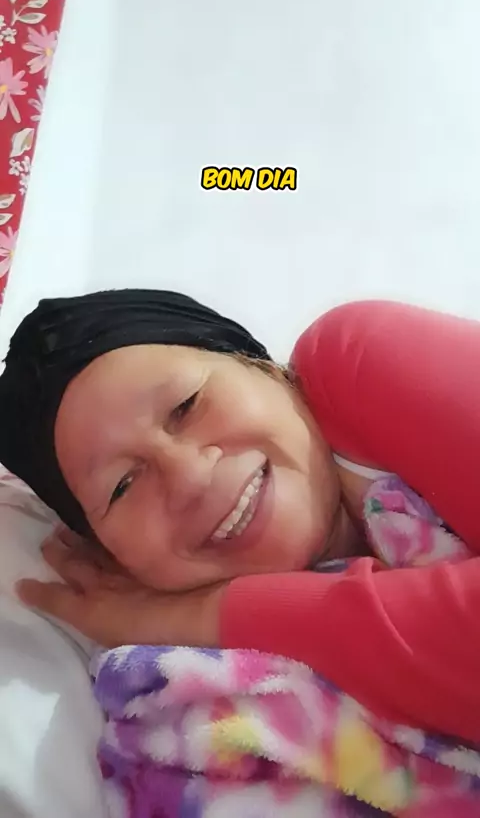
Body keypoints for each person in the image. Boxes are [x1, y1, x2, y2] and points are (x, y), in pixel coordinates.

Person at [0, 290, 479, 743]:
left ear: (260, 364)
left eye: (186, 405)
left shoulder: (360, 355)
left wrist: (196, 615)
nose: (190, 477)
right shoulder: (183, 714)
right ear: (112, 558)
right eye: (122, 486)